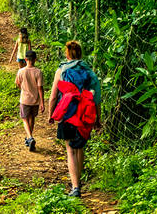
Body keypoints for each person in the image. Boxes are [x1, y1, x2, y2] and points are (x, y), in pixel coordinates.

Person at [48, 40, 101, 198]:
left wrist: (52, 115)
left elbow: (52, 96)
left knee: (70, 150)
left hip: (67, 111)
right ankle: (79, 178)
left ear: (67, 53)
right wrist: (98, 119)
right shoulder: (89, 71)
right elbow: (97, 98)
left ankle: (75, 187)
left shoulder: (61, 70)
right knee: (80, 147)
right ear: (80, 53)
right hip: (85, 113)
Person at [15, 49, 44, 151]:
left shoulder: (21, 71)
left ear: (25, 59)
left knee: (24, 118)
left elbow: (17, 83)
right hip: (35, 100)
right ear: (35, 59)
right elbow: (40, 88)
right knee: (32, 118)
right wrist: (42, 103)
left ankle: (30, 137)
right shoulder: (38, 72)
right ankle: (29, 138)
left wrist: (23, 88)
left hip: (24, 99)